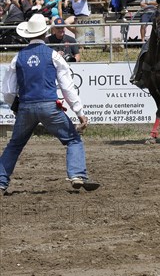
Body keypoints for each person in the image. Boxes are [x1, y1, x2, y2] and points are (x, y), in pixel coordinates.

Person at [0, 14, 100, 195]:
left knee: (14, 145)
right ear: (45, 33)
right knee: (72, 139)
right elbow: (67, 88)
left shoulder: (18, 58)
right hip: (49, 106)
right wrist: (79, 113)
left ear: (27, 35)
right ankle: (77, 175)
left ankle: (1, 182)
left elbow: (7, 91)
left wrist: (15, 107)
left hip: (26, 107)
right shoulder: (53, 55)